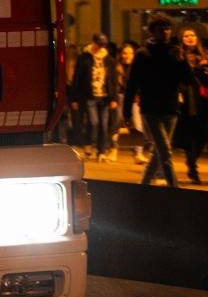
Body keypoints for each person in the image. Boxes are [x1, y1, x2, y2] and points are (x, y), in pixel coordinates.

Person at [122, 15, 191, 188]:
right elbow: (132, 84)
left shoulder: (175, 51)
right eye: (160, 29)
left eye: (167, 28)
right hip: (150, 108)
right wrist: (126, 112)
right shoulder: (143, 54)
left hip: (171, 108)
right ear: (152, 32)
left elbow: (188, 80)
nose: (165, 32)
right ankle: (174, 187)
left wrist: (182, 60)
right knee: (165, 151)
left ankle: (143, 185)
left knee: (159, 151)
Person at [70, 33, 116, 161]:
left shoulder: (108, 59)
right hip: (90, 95)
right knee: (93, 121)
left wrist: (113, 98)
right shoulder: (84, 57)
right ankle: (88, 143)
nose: (100, 47)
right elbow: (77, 78)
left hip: (105, 96)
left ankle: (101, 151)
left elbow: (113, 79)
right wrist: (74, 98)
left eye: (102, 45)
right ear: (93, 42)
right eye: (98, 44)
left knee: (103, 124)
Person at [178, 26, 206, 185]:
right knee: (190, 134)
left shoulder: (203, 55)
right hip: (187, 98)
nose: (190, 38)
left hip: (203, 98)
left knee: (203, 135)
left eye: (193, 35)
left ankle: (191, 161)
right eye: (186, 36)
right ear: (181, 39)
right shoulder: (179, 56)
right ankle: (193, 168)